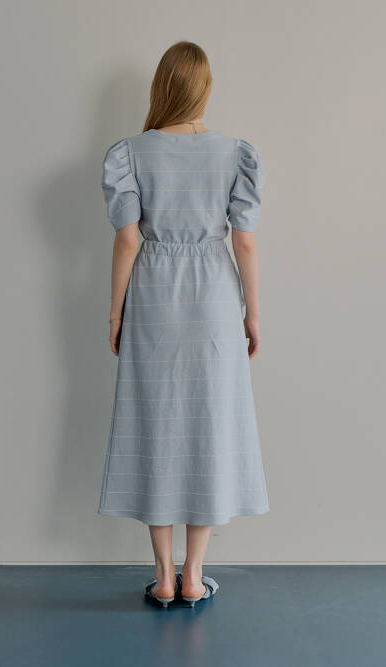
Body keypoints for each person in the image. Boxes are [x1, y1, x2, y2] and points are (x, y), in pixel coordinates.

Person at [98, 41, 270, 608]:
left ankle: (164, 574)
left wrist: (117, 311)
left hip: (153, 294)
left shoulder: (130, 152)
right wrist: (252, 313)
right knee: (207, 424)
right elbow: (245, 242)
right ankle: (195, 575)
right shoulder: (235, 153)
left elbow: (127, 240)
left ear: (161, 86)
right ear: (204, 88)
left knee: (157, 425)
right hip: (215, 296)